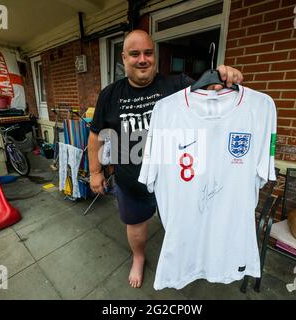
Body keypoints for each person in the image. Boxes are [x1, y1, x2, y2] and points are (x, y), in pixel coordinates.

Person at [88, 29, 244, 288]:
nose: (142, 59)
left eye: (148, 53)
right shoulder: (110, 94)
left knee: (182, 224)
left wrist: (224, 77)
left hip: (178, 180)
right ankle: (138, 257)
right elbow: (96, 137)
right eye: (135, 54)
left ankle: (182, 260)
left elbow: (213, 93)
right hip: (132, 180)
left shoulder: (178, 85)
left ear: (155, 57)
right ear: (124, 58)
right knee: (136, 226)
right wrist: (95, 172)